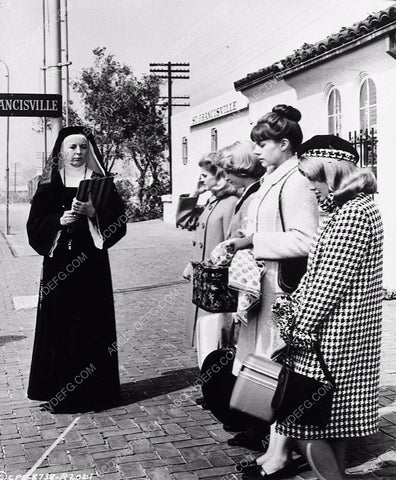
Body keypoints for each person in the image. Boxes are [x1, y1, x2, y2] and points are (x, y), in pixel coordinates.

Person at [267, 135, 383, 480]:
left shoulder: (351, 214)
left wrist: (295, 327)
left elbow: (327, 283)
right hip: (342, 334)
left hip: (328, 337)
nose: (311, 187)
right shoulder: (357, 208)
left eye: (313, 178)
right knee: (334, 421)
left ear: (331, 172)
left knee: (304, 425)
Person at [230, 106, 319, 460]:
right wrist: (246, 239)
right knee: (261, 362)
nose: (256, 150)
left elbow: (306, 240)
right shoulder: (271, 179)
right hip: (262, 285)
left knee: (276, 363)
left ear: (284, 144)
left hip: (282, 288)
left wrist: (254, 242)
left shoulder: (296, 180)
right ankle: (266, 434)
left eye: (263, 143)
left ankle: (280, 444)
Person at [27, 126, 126, 413]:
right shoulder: (49, 185)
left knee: (92, 323)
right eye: (72, 147)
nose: (78, 152)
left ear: (90, 150)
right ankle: (59, 392)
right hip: (59, 265)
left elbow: (119, 222)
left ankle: (97, 393)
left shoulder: (100, 183)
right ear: (61, 151)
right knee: (60, 326)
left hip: (91, 265)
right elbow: (34, 226)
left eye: (83, 147)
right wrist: (60, 220)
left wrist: (94, 214)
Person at [182, 151, 239, 349]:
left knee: (214, 341)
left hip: (217, 284)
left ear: (221, 175)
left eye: (205, 175)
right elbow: (185, 222)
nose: (201, 178)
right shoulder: (211, 200)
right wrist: (194, 194)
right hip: (203, 281)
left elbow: (231, 246)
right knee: (204, 340)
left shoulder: (230, 203)